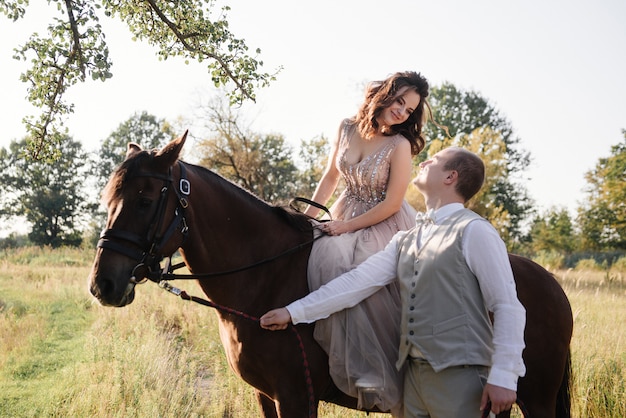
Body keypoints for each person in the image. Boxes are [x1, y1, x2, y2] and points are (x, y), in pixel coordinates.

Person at [261, 147, 526, 418]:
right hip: (411, 381)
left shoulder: (475, 231)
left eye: (434, 160)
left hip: (461, 379)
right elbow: (357, 282)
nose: (423, 162)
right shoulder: (406, 239)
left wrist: (504, 376)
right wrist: (293, 312)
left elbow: (507, 306)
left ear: (450, 177)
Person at [302, 71, 431, 415]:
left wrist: (345, 228)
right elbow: (330, 177)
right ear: (384, 94)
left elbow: (391, 203)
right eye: (400, 101)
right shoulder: (346, 127)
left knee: (353, 270)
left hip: (383, 223)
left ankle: (379, 373)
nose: (403, 112)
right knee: (306, 254)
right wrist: (309, 218)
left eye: (410, 109)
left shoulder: (399, 145)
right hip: (343, 210)